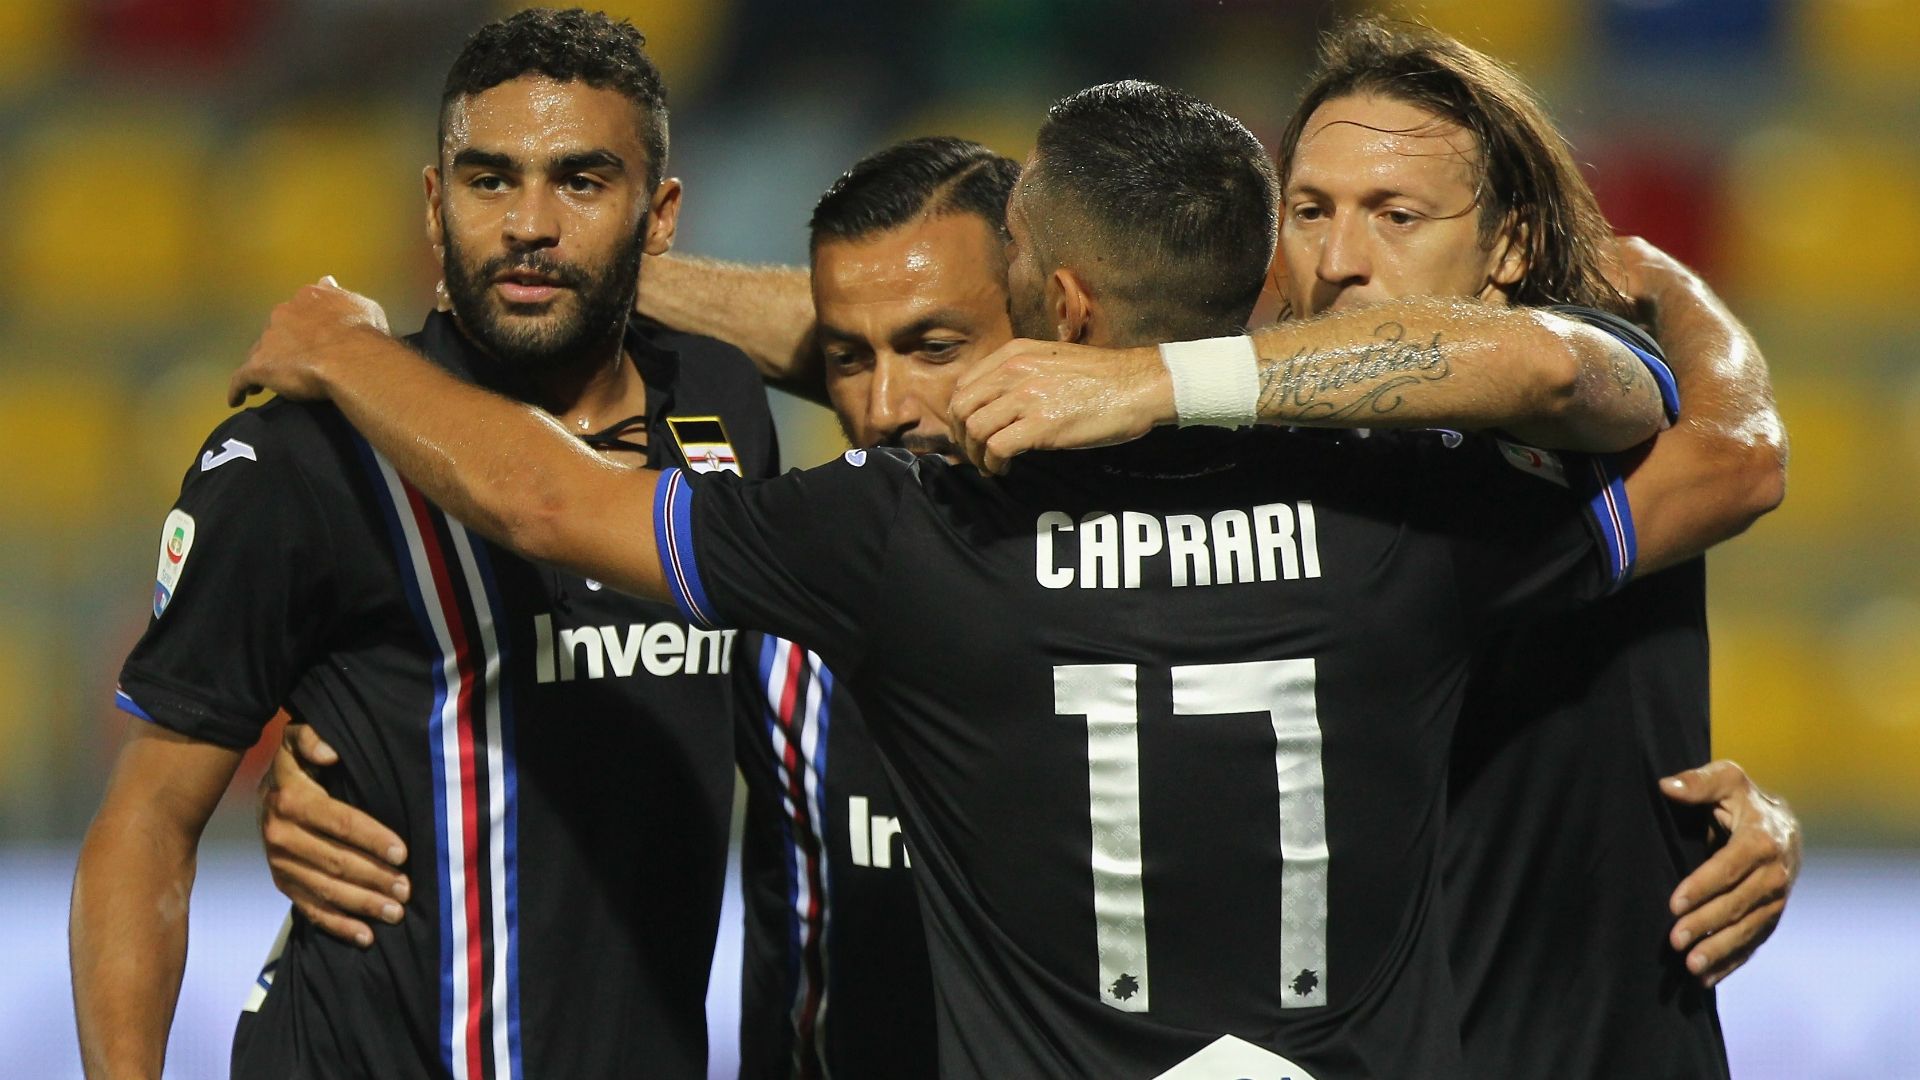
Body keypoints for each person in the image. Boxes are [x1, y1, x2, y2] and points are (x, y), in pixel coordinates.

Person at [226, 79, 1673, 1078]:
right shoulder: (1414, 517)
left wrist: (352, 346)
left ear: (1058, 306)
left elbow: (545, 500)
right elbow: (1579, 373)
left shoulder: (901, 538)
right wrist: (1179, 379)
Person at [944, 19, 1794, 1078]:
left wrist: (1665, 283)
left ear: (1512, 247)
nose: (1341, 260)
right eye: (1309, 212)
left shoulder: (1582, 418)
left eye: (1396, 215)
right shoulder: (1210, 467)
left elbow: (1709, 445)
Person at [69, 10, 777, 1079]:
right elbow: (146, 822)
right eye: (491, 180)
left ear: (661, 214)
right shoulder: (299, 455)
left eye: (581, 182)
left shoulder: (721, 410)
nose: (529, 222)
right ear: (434, 205)